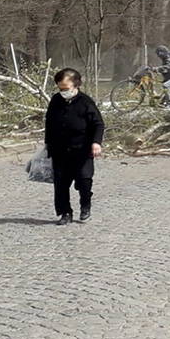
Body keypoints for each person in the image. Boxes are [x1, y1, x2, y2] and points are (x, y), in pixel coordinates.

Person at [44, 68, 105, 225]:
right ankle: (65, 213)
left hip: (82, 150)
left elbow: (98, 123)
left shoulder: (85, 102)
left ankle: (85, 205)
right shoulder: (56, 100)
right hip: (60, 150)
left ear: (76, 84)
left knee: (84, 181)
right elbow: (49, 123)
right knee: (61, 184)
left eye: (66, 88)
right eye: (60, 88)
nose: (63, 91)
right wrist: (48, 145)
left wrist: (96, 142)